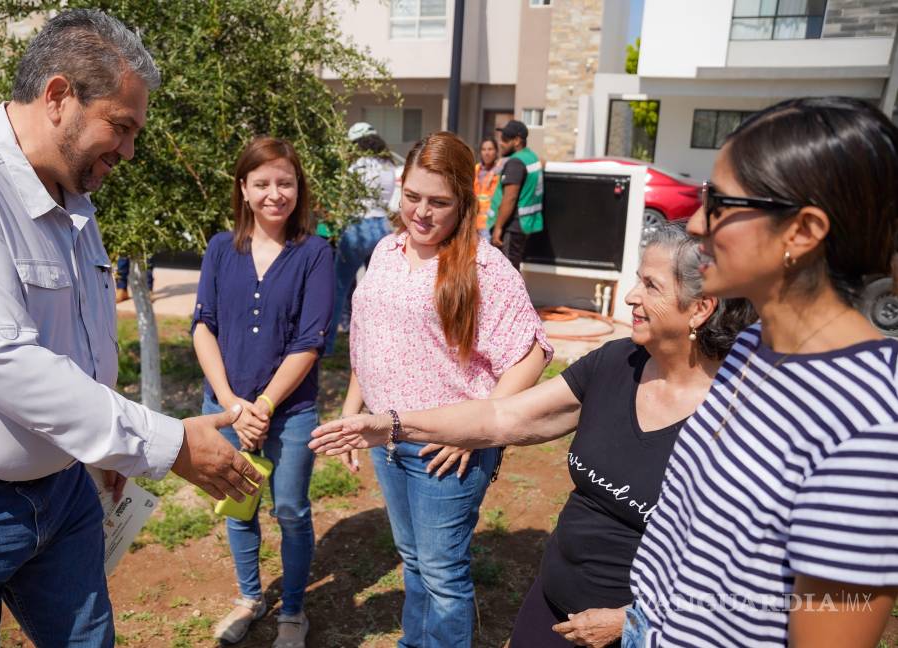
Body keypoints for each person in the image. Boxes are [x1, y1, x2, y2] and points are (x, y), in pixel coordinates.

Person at [0, 9, 261, 646]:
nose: (130, 152)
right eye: (123, 126)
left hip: (66, 494)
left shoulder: (74, 196)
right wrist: (165, 444)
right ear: (59, 96)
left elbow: (78, 338)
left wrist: (104, 446)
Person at [310, 224, 757, 647]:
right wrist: (390, 423)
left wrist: (631, 619)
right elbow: (502, 418)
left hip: (642, 630)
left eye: (652, 287)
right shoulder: (616, 364)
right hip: (551, 606)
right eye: (637, 281)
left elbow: (747, 574)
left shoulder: (740, 416)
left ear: (701, 308)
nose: (631, 298)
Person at [622, 96, 898, 647]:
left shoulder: (870, 420)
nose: (696, 222)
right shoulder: (754, 342)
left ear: (802, 231)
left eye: (720, 203)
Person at [335, 131, 552, 647]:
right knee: (413, 561)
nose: (422, 212)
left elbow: (533, 352)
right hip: (386, 441)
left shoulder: (483, 266)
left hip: (444, 451)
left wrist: (478, 430)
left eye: (439, 202)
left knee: (442, 574)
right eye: (412, 197)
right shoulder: (387, 251)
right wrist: (350, 415)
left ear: (464, 201)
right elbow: (370, 344)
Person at [192, 137, 333, 647]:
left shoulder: (314, 253)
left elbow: (309, 341)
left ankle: (293, 611)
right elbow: (203, 326)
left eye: (286, 182)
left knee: (291, 510)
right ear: (244, 190)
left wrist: (266, 405)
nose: (276, 194)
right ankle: (250, 596)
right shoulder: (218, 249)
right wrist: (232, 403)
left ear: (299, 187)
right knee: (239, 505)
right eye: (263, 183)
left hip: (291, 412)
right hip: (227, 411)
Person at [324, 121, 397, 354]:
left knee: (338, 288)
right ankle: (380, 347)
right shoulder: (388, 164)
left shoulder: (357, 165)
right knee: (381, 293)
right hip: (383, 228)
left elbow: (345, 198)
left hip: (358, 227)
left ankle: (326, 346)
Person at [489, 119, 544, 269]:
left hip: (512, 227)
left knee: (507, 272)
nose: (501, 143)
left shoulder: (515, 163)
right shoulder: (531, 157)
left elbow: (510, 198)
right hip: (525, 224)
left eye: (505, 139)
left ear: (517, 141)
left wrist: (498, 228)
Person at [473, 135, 500, 241]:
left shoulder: (499, 171)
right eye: (483, 149)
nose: (486, 153)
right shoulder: (475, 169)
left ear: (496, 151)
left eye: (490, 149)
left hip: (490, 224)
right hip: (474, 224)